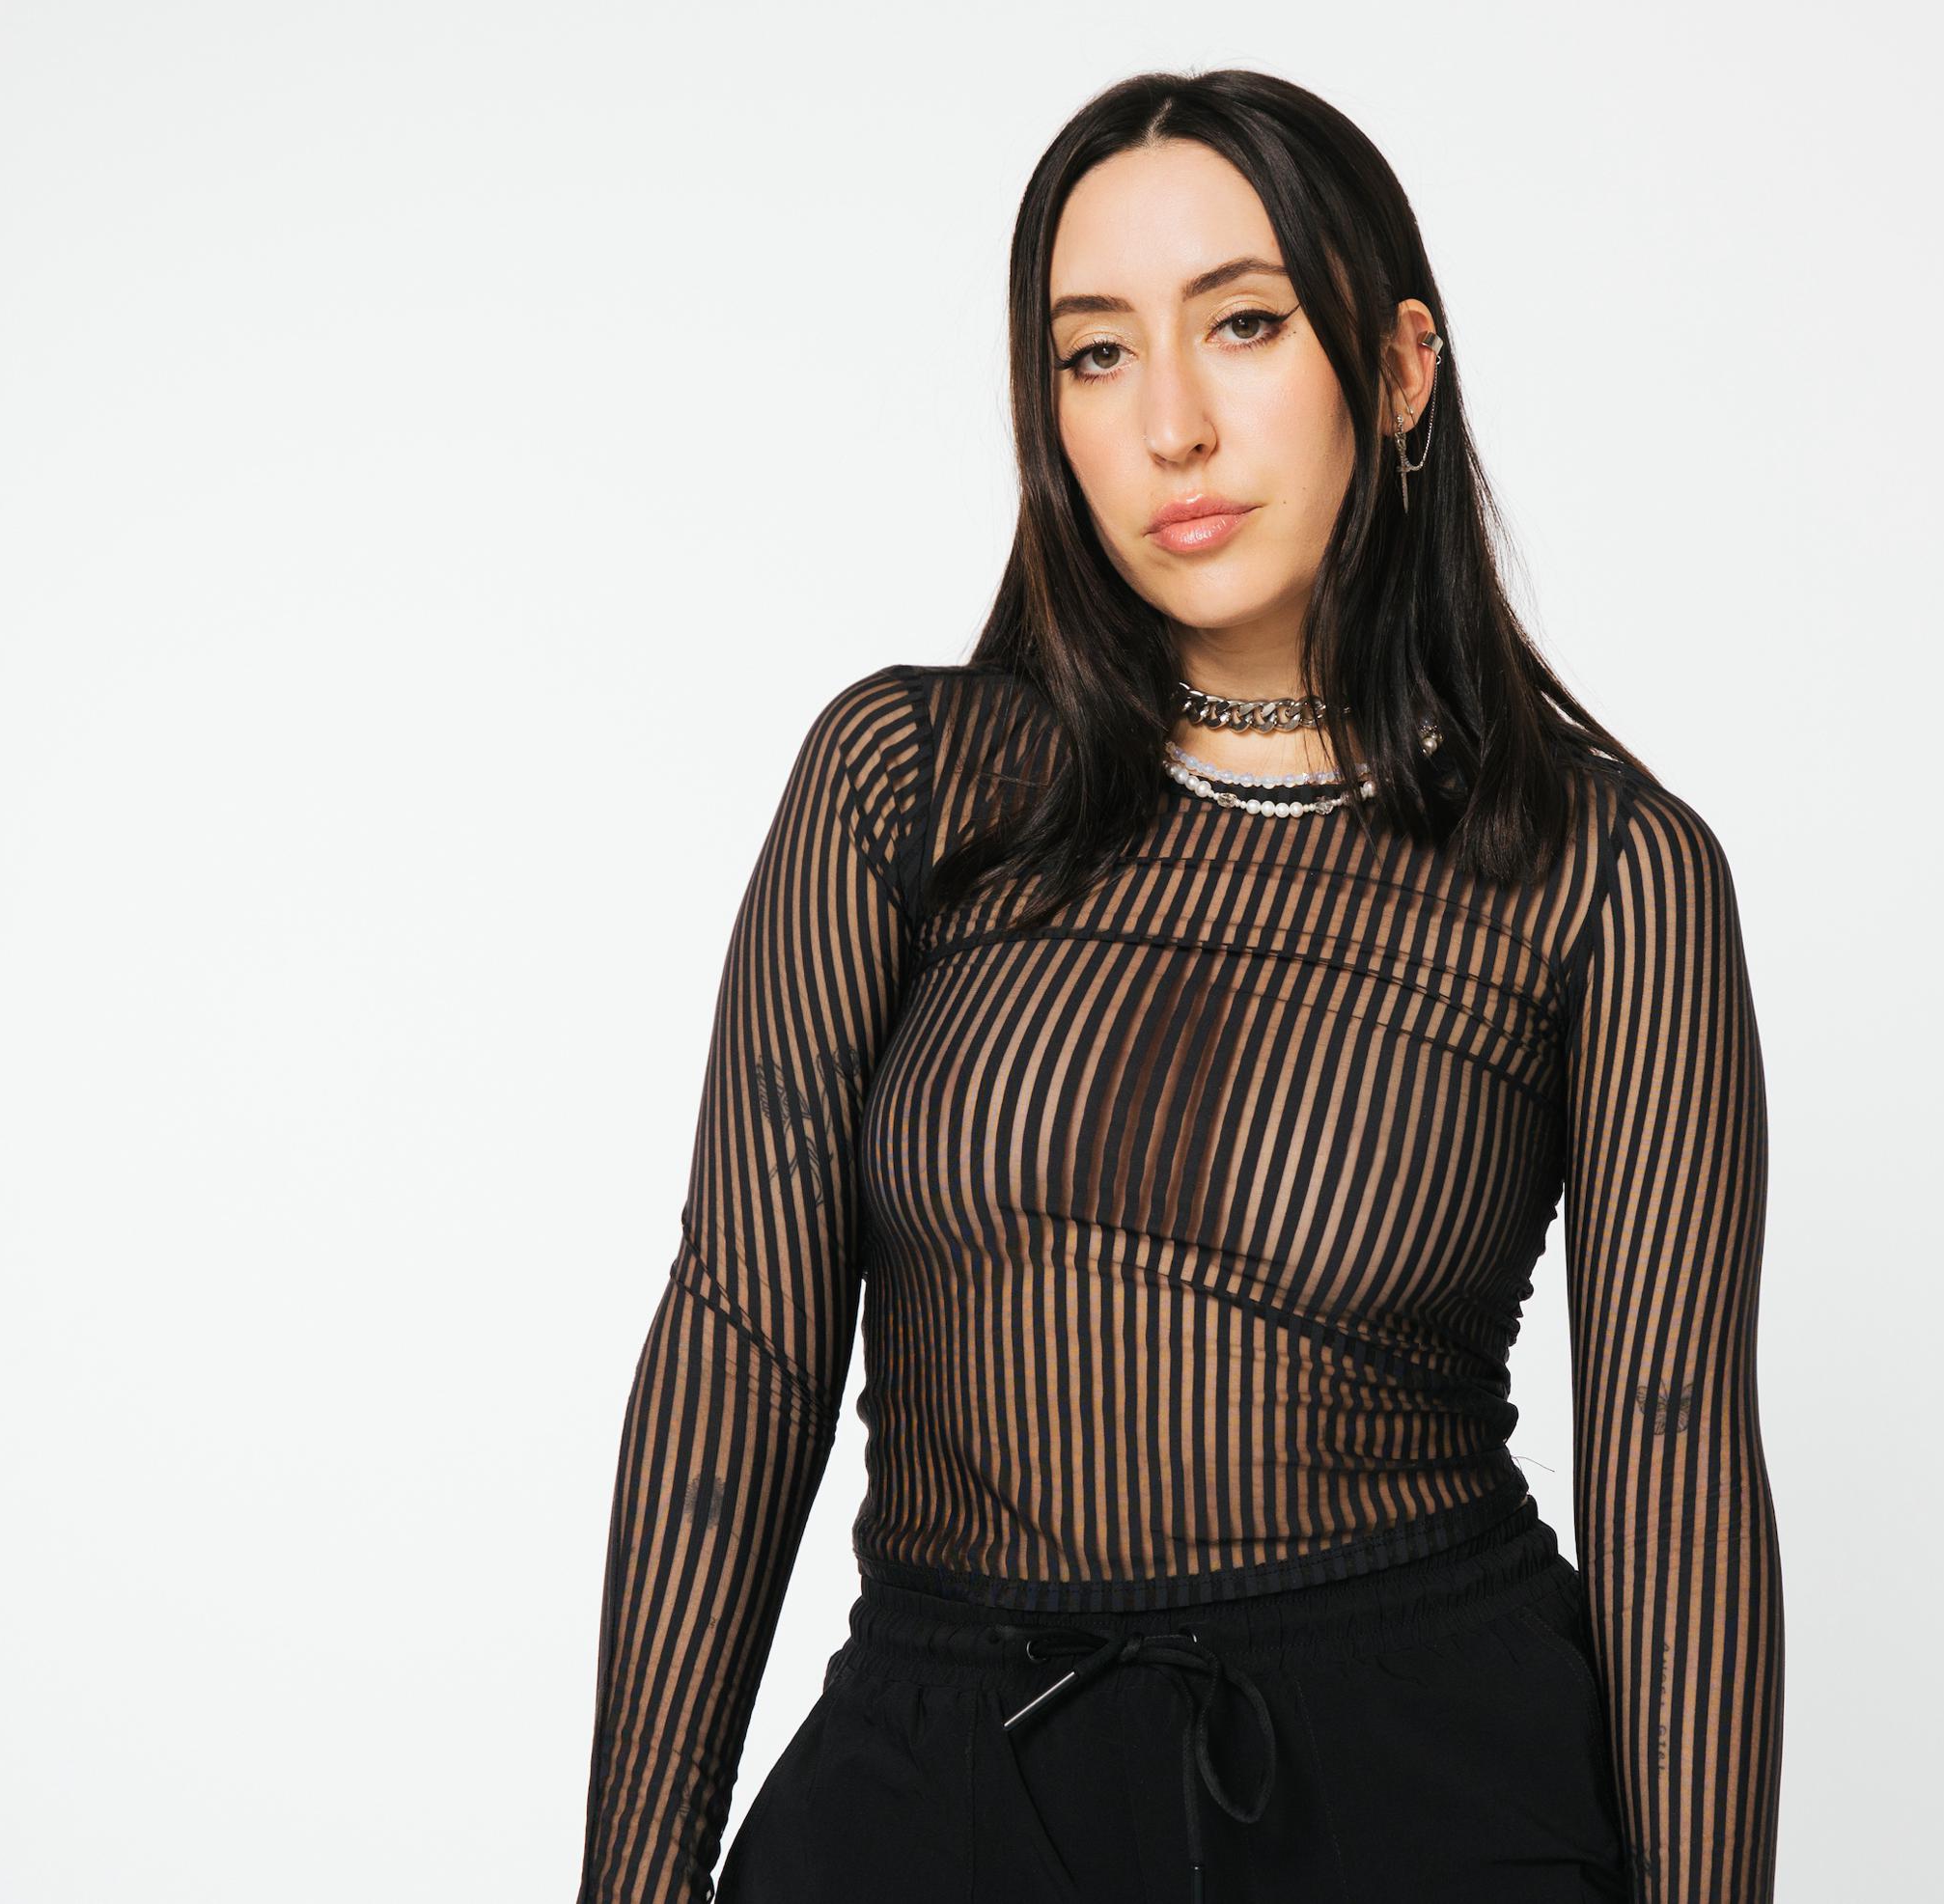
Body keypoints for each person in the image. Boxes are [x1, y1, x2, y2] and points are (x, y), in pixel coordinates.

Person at [576, 68, 1785, 1904]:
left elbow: (1673, 1451)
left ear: (1399, 368)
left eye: (1242, 323)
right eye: (1095, 353)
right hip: (941, 1783)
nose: (1171, 426)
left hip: (1415, 1788)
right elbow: (741, 1339)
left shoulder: (1606, 874)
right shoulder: (907, 785)